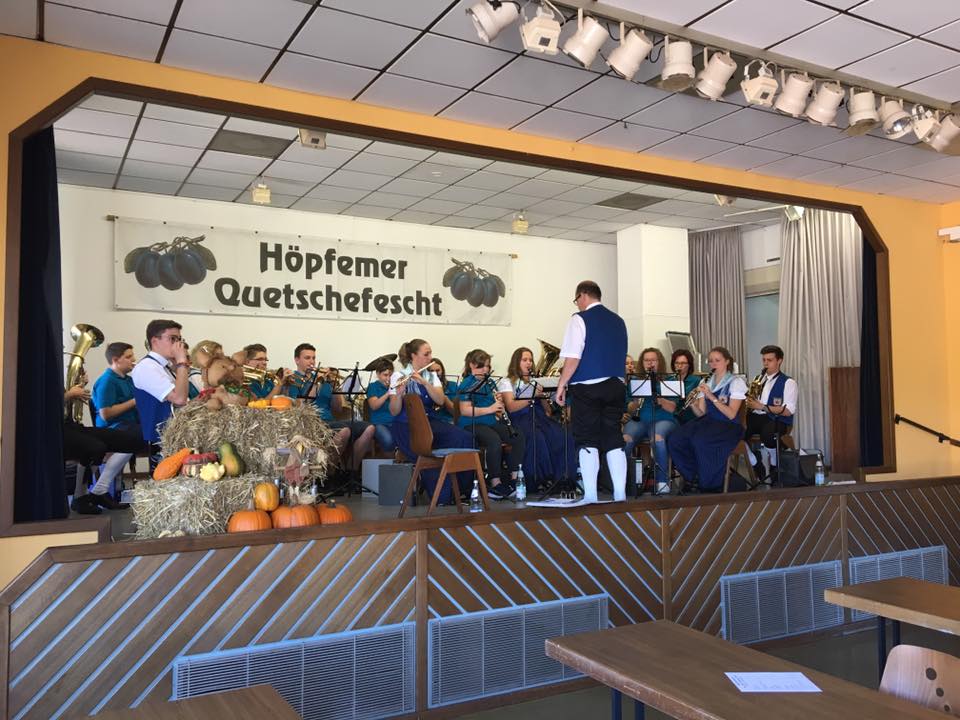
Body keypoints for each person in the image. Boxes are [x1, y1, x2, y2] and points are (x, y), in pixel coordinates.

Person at [555, 281, 629, 503]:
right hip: (616, 385)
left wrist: (561, 384)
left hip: (588, 386)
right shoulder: (619, 321)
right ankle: (620, 494)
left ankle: (590, 495)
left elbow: (573, 357)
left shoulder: (579, 319)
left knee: (587, 439)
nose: (577, 304)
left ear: (583, 296)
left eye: (576, 300)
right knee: (613, 437)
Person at [388, 338, 475, 504]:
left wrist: (424, 382)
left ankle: (463, 490)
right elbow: (394, 411)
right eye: (426, 354)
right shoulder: (398, 376)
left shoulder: (431, 376)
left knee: (464, 438)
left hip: (429, 422)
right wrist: (398, 394)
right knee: (428, 453)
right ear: (413, 356)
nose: (430, 358)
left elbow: (440, 400)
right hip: (407, 426)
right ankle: (445, 496)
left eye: (430, 354)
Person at [667, 346, 747, 493]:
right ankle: (693, 477)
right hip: (709, 422)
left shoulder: (736, 382)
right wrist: (693, 404)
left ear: (727, 361)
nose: (713, 364)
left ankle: (709, 484)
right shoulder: (707, 381)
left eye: (717, 360)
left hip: (729, 425)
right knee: (675, 439)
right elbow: (702, 413)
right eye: (711, 361)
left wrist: (711, 396)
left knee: (700, 441)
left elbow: (731, 414)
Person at [65, 368, 144, 513]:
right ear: (116, 359)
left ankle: (98, 491)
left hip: (72, 425)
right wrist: (70, 394)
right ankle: (80, 497)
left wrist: (79, 386)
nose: (132, 359)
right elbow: (105, 414)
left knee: (131, 440)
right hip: (58, 429)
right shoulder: (106, 381)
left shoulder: (128, 380)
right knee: (96, 447)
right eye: (128, 357)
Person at [286, 343, 375, 471]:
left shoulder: (324, 381)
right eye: (307, 358)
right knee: (344, 431)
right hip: (312, 423)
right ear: (297, 360)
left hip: (330, 421)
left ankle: (350, 471)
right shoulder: (293, 379)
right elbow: (301, 405)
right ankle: (328, 472)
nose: (312, 361)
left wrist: (334, 384)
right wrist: (316, 382)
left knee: (369, 428)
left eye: (313, 358)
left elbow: (337, 408)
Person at [499, 346, 576, 491]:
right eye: (524, 360)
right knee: (537, 437)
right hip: (520, 419)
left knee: (562, 436)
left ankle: (562, 479)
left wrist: (544, 396)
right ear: (516, 362)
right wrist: (532, 395)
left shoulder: (536, 381)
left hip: (539, 417)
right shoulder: (507, 382)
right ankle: (536, 479)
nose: (529, 363)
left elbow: (548, 411)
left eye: (530, 360)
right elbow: (511, 406)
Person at [457, 349, 526, 499]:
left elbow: (497, 410)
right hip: (471, 423)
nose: (485, 370)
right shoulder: (467, 383)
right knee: (493, 440)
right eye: (481, 366)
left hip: (490, 421)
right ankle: (495, 484)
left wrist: (499, 404)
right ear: (471, 365)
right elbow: (465, 410)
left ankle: (515, 479)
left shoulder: (489, 382)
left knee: (517, 436)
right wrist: (490, 409)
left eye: (487, 366)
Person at [131, 319, 192, 466]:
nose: (178, 345)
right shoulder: (146, 367)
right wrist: (182, 362)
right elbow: (180, 399)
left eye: (179, 339)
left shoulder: (163, 366)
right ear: (155, 341)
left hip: (174, 433)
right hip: (161, 438)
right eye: (172, 339)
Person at [622, 348, 679, 493]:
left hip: (664, 419)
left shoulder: (670, 380)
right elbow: (630, 409)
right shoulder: (635, 380)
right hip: (641, 419)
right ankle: (622, 481)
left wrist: (659, 399)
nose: (650, 363)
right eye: (646, 360)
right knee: (625, 439)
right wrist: (636, 401)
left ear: (660, 362)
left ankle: (662, 482)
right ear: (642, 363)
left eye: (653, 360)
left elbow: (672, 408)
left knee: (657, 438)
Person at [744, 344, 798, 482]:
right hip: (755, 417)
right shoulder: (758, 379)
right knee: (734, 432)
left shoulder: (788, 382)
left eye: (770, 360)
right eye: (764, 360)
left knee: (768, 435)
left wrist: (762, 407)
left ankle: (774, 463)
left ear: (779, 361)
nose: (765, 363)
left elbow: (788, 411)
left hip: (776, 419)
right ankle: (755, 461)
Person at [366, 358, 396, 453]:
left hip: (395, 422)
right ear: (378, 374)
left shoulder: (395, 386)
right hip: (379, 423)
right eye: (385, 375)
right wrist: (388, 393)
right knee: (389, 441)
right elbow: (374, 405)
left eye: (390, 375)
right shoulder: (373, 386)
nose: (388, 378)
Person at [671, 349, 700, 425]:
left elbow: (699, 403)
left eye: (683, 363)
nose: (679, 366)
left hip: (689, 416)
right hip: (670, 415)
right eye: (677, 363)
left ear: (689, 365)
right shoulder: (668, 380)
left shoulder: (696, 381)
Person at [432, 358, 459, 424]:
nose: (435, 374)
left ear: (442, 371)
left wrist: (444, 398)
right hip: (431, 421)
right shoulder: (424, 387)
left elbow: (456, 413)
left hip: (449, 421)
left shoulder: (453, 386)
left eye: (437, 370)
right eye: (431, 371)